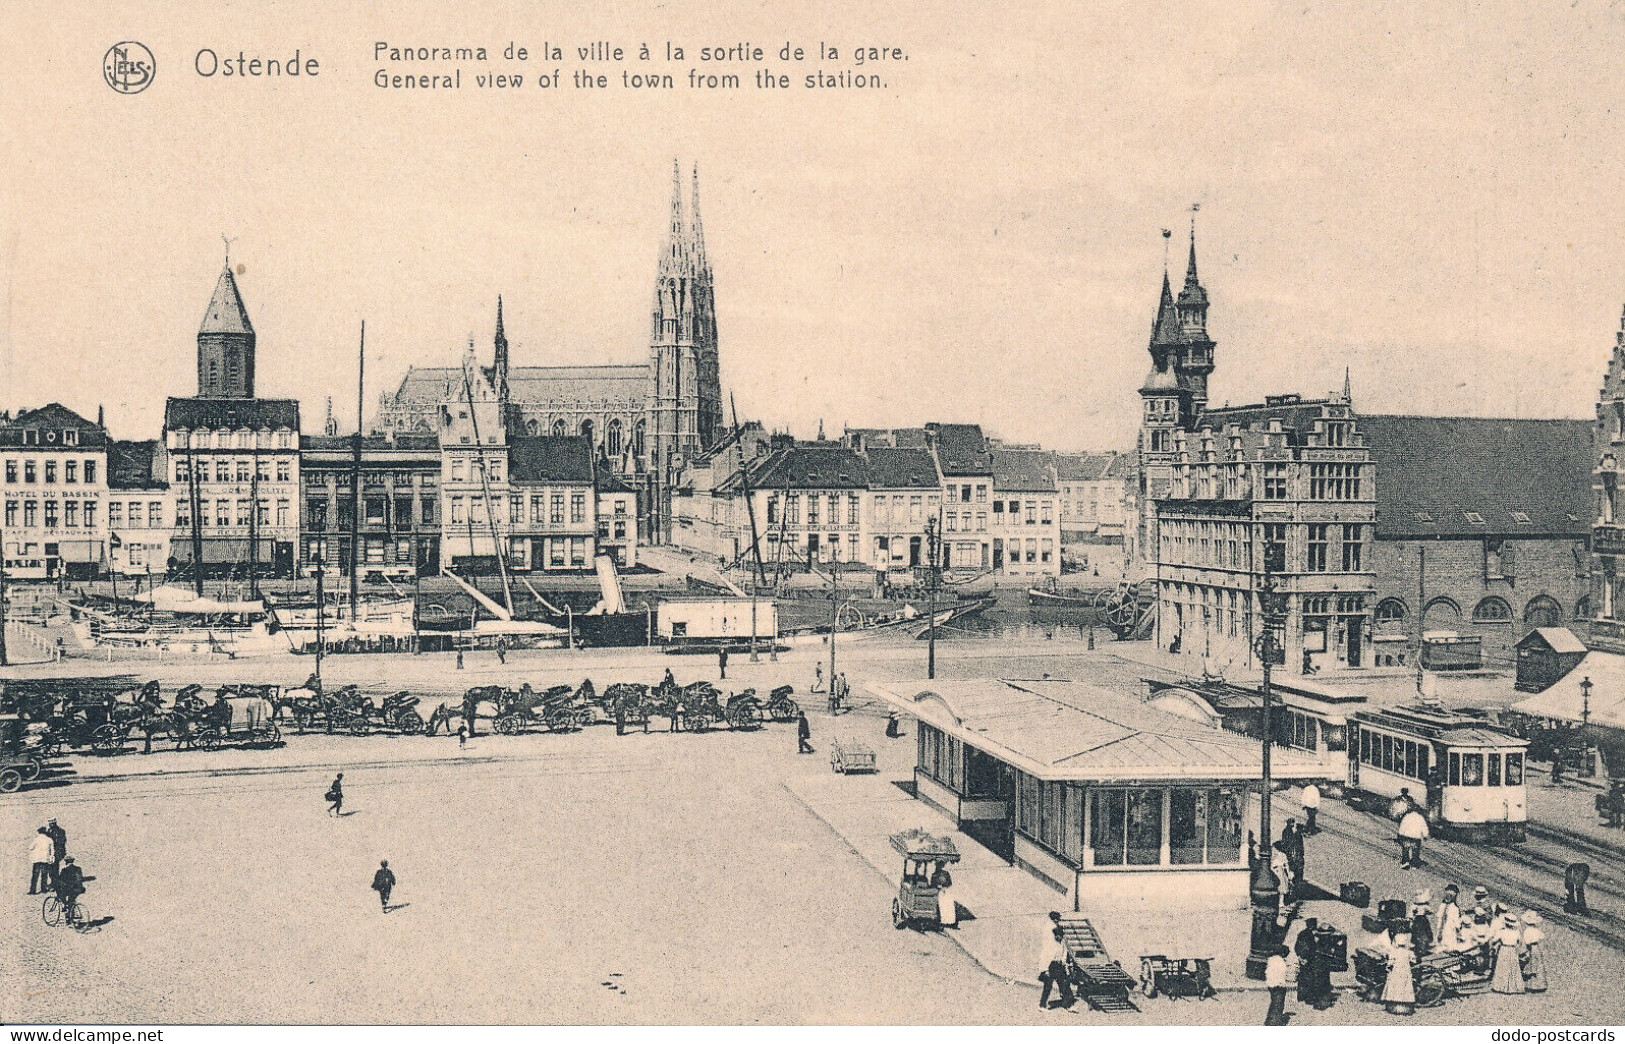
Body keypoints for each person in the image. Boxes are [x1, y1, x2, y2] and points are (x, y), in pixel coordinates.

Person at [1039, 926, 1075, 1010]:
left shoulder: (1063, 944)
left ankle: (1069, 1005)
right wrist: (1045, 969)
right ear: (1055, 935)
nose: (1058, 937)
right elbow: (1045, 957)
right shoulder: (1051, 945)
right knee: (1048, 987)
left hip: (1059, 966)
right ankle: (1042, 1005)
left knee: (1064, 985)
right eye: (1057, 935)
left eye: (1060, 935)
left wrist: (1065, 966)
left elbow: (1064, 955)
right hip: (1051, 965)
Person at [1294, 918, 1328, 1009]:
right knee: (1309, 979)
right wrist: (1304, 958)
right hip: (1308, 960)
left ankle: (1301, 997)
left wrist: (1300, 957)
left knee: (1303, 979)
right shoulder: (1309, 935)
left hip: (1304, 960)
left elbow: (1296, 947)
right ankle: (1308, 998)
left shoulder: (1302, 934)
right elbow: (1308, 948)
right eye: (1314, 924)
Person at [1490, 913, 1525, 994]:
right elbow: (1520, 943)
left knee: (1503, 967)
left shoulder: (1502, 932)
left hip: (1504, 949)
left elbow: (1494, 940)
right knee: (1513, 967)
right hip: (1512, 950)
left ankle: (1501, 987)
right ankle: (1513, 987)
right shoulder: (1517, 933)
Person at [1382, 933, 1415, 1015]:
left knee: (1395, 986)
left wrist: (1388, 967)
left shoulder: (1394, 952)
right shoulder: (1409, 952)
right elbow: (1413, 961)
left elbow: (1390, 963)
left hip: (1396, 972)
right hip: (1405, 972)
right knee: (1405, 986)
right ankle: (1405, 1005)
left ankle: (1394, 1005)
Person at [1264, 943, 1291, 1025]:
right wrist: (1282, 985)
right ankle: (1276, 1021)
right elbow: (1281, 975)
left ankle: (1271, 1020)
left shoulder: (1271, 960)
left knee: (1274, 1003)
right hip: (1278, 986)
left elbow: (1268, 973)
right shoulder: (1280, 962)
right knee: (1278, 1004)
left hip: (1271, 985)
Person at [54, 856, 85, 926]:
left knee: (62, 896)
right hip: (78, 889)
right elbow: (80, 879)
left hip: (69, 889)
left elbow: (60, 881)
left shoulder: (65, 870)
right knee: (71, 901)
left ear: (66, 862)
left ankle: (67, 914)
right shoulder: (78, 869)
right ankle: (70, 914)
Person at [1520, 911, 1546, 992]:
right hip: (1536, 947)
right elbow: (1542, 936)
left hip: (1530, 947)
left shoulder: (1527, 931)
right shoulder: (1536, 930)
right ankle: (1540, 984)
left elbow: (1526, 942)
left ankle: (1532, 986)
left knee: (1532, 965)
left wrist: (1525, 951)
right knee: (1538, 964)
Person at [1436, 885, 1465, 952]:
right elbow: (1439, 916)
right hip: (1443, 928)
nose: (1448, 897)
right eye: (1447, 895)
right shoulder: (1443, 906)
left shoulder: (1454, 908)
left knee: (1448, 943)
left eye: (1450, 896)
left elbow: (1456, 923)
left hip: (1449, 930)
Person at [1282, 820, 1306, 897]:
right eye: (1292, 823)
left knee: (1295, 874)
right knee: (1295, 874)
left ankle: (1294, 891)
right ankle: (1293, 892)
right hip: (1295, 856)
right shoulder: (1291, 833)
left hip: (1295, 856)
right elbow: (1292, 846)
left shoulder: (1292, 832)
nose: (1292, 824)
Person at [29, 827, 54, 894]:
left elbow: (30, 847)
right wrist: (51, 857)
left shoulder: (36, 839)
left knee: (35, 876)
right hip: (45, 860)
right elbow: (52, 851)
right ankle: (43, 889)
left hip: (37, 860)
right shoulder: (49, 839)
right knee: (44, 875)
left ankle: (33, 890)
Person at [1409, 890, 1434, 958]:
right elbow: (1410, 914)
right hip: (1420, 920)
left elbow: (1431, 911)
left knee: (1422, 933)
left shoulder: (1423, 906)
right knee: (1420, 934)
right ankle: (1420, 949)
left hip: (1421, 920)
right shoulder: (1416, 906)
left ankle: (1422, 948)